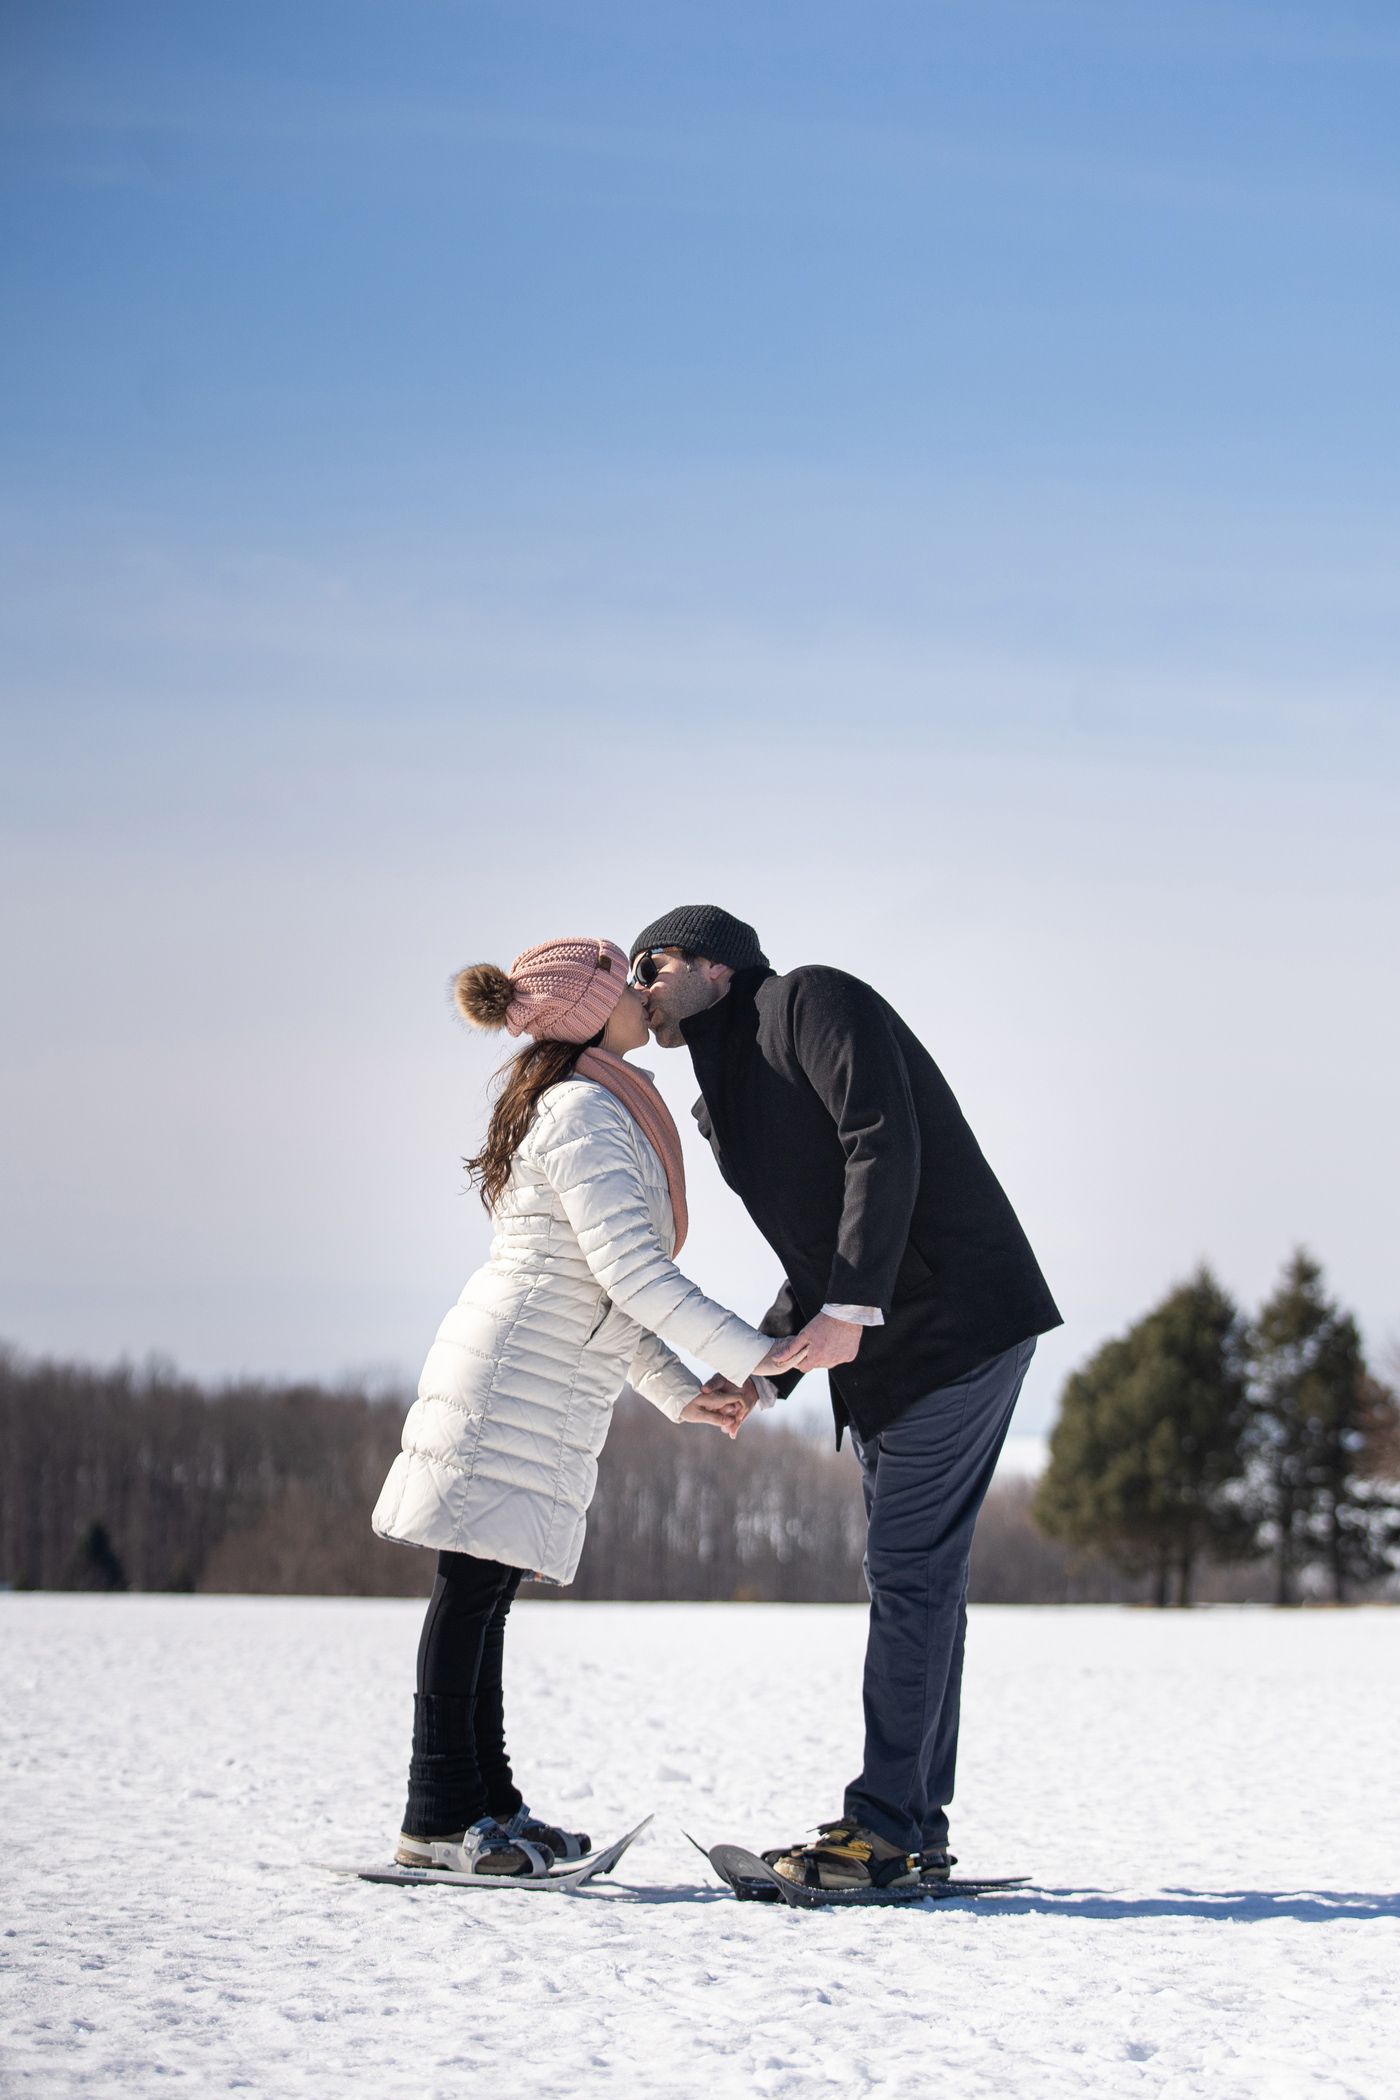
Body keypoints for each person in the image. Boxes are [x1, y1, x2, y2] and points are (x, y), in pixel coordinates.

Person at [628, 905, 1063, 1891]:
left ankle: (878, 1834)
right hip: (890, 1350)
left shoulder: (806, 1001)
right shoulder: (726, 1091)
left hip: (953, 1318)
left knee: (906, 1574)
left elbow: (881, 1137)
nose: (638, 986)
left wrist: (854, 1305)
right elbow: (815, 1247)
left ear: (713, 967)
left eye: (649, 964)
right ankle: (912, 1824)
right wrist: (767, 1365)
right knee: (920, 1581)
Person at [373, 935, 797, 1878]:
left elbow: (604, 1294)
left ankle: (486, 1806)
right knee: (472, 1593)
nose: (645, 993)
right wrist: (758, 1352)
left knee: (487, 1596)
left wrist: (685, 1393)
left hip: (539, 1379)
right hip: (509, 1383)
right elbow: (634, 1276)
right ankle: (440, 1817)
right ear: (587, 1010)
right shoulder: (584, 1114)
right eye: (626, 980)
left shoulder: (592, 1106)